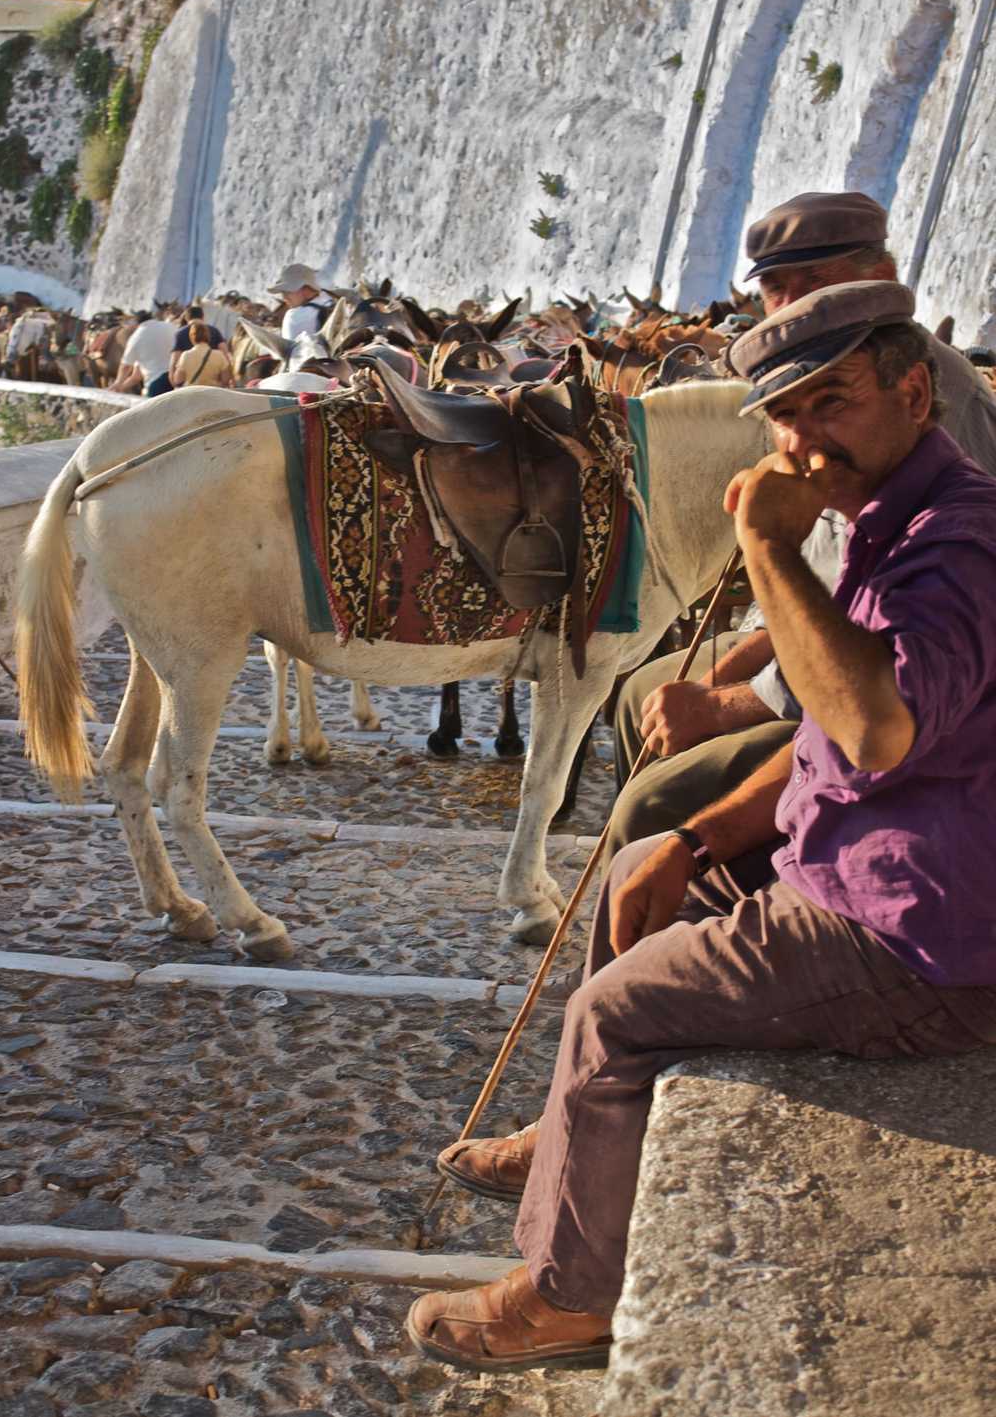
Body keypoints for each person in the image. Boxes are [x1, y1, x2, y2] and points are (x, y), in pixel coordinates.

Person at [405, 281, 996, 1372]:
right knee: (642, 857)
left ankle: (568, 1296)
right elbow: (821, 736)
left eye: (828, 403)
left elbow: (872, 729)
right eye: (782, 413)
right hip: (863, 869)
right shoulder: (891, 515)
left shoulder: (958, 545)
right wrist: (701, 838)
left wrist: (769, 548)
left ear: (914, 392)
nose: (799, 440)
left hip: (917, 934)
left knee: (613, 1015)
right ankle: (578, 1137)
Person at [610, 190, 996, 868]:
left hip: (886, 693)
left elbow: (887, 640)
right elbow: (811, 579)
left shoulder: (919, 391)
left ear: (879, 279)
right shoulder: (809, 387)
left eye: (812, 284)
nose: (787, 306)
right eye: (774, 288)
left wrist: (722, 703)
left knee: (653, 808)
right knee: (641, 692)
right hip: (814, 643)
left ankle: (686, 905)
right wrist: (715, 675)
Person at [110, 310, 174, 396]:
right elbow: (136, 376)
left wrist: (118, 383)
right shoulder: (170, 326)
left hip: (156, 384)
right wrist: (121, 387)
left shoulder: (136, 338)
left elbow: (126, 366)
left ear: (136, 322)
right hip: (177, 380)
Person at [267, 262, 334, 340]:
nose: (285, 298)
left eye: (288, 292)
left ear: (306, 289)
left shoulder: (293, 316)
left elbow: (289, 350)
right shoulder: (331, 301)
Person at [167, 304, 228, 386]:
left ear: (186, 318)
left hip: (192, 388)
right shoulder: (214, 331)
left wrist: (173, 380)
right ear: (203, 317)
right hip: (213, 387)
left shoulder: (180, 334)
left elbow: (175, 359)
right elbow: (225, 354)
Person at [171, 319, 234, 388]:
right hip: (213, 392)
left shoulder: (185, 355)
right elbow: (225, 379)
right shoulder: (219, 355)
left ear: (191, 337)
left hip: (193, 393)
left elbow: (178, 380)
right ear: (208, 336)